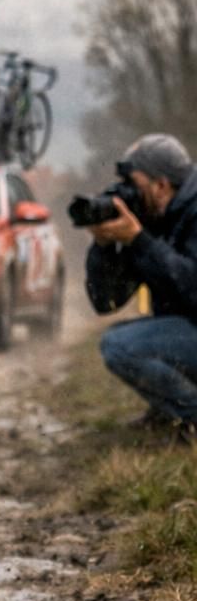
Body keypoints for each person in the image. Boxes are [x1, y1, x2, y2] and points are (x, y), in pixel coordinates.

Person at [86, 133, 197, 439]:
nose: (128, 194)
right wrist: (103, 245)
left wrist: (140, 241)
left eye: (135, 185)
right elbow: (105, 301)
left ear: (161, 185)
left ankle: (192, 415)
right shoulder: (155, 216)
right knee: (119, 339)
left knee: (121, 346)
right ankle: (168, 413)